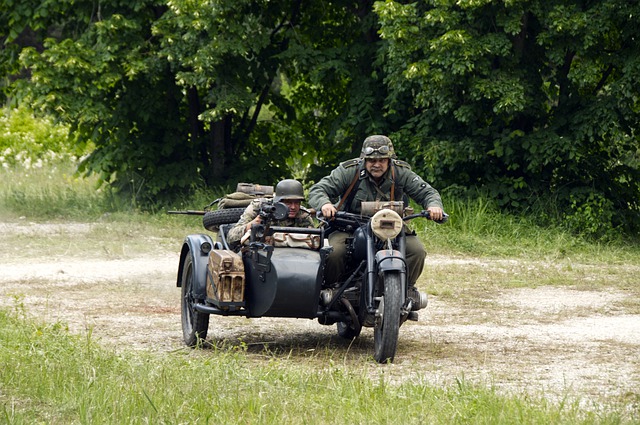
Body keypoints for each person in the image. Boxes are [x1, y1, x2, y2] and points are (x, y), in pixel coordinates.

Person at [308, 135, 444, 296]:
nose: (377, 164)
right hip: (349, 226)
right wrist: (325, 204)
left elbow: (427, 192)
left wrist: (434, 206)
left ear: (390, 160)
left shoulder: (400, 173)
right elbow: (318, 189)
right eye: (372, 160)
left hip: (391, 228)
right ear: (364, 160)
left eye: (382, 160)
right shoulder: (349, 171)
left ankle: (406, 290)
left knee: (417, 251)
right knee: (335, 252)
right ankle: (331, 289)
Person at [227, 179, 315, 246]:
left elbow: (314, 239)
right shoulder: (258, 207)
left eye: (297, 202)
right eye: (288, 202)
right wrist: (252, 225)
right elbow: (231, 236)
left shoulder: (303, 215)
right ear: (278, 201)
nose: (293, 207)